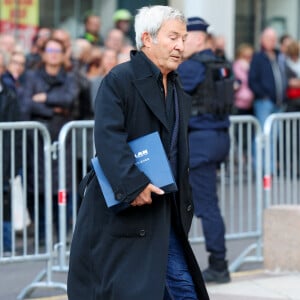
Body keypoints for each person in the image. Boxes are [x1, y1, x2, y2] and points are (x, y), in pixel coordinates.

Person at [67, 5, 209, 300]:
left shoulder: (180, 90)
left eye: (183, 38)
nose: (181, 46)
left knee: (180, 290)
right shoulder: (119, 80)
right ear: (147, 38)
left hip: (163, 210)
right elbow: (108, 139)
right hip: (124, 212)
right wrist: (134, 185)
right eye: (173, 38)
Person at [177, 16, 231, 284]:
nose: (180, 44)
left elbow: (170, 96)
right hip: (219, 138)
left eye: (184, 38)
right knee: (206, 203)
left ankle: (218, 265)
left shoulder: (192, 68)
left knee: (206, 205)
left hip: (201, 142)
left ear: (198, 39)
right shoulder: (220, 63)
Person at [22, 37, 79, 242]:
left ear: (63, 54)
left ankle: (62, 236)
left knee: (62, 190)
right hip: (37, 142)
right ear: (44, 54)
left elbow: (69, 100)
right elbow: (26, 104)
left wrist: (44, 98)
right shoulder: (31, 77)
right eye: (50, 49)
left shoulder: (70, 78)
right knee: (37, 189)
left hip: (63, 141)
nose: (54, 53)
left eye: (57, 50)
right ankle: (42, 236)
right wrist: (55, 109)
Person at [248, 27, 287, 174]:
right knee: (263, 136)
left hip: (278, 103)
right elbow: (252, 80)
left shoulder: (278, 56)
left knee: (273, 137)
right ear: (262, 40)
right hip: (264, 102)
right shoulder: (258, 57)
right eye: (269, 38)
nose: (272, 41)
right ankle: (259, 168)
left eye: (274, 38)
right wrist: (263, 94)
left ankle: (269, 169)